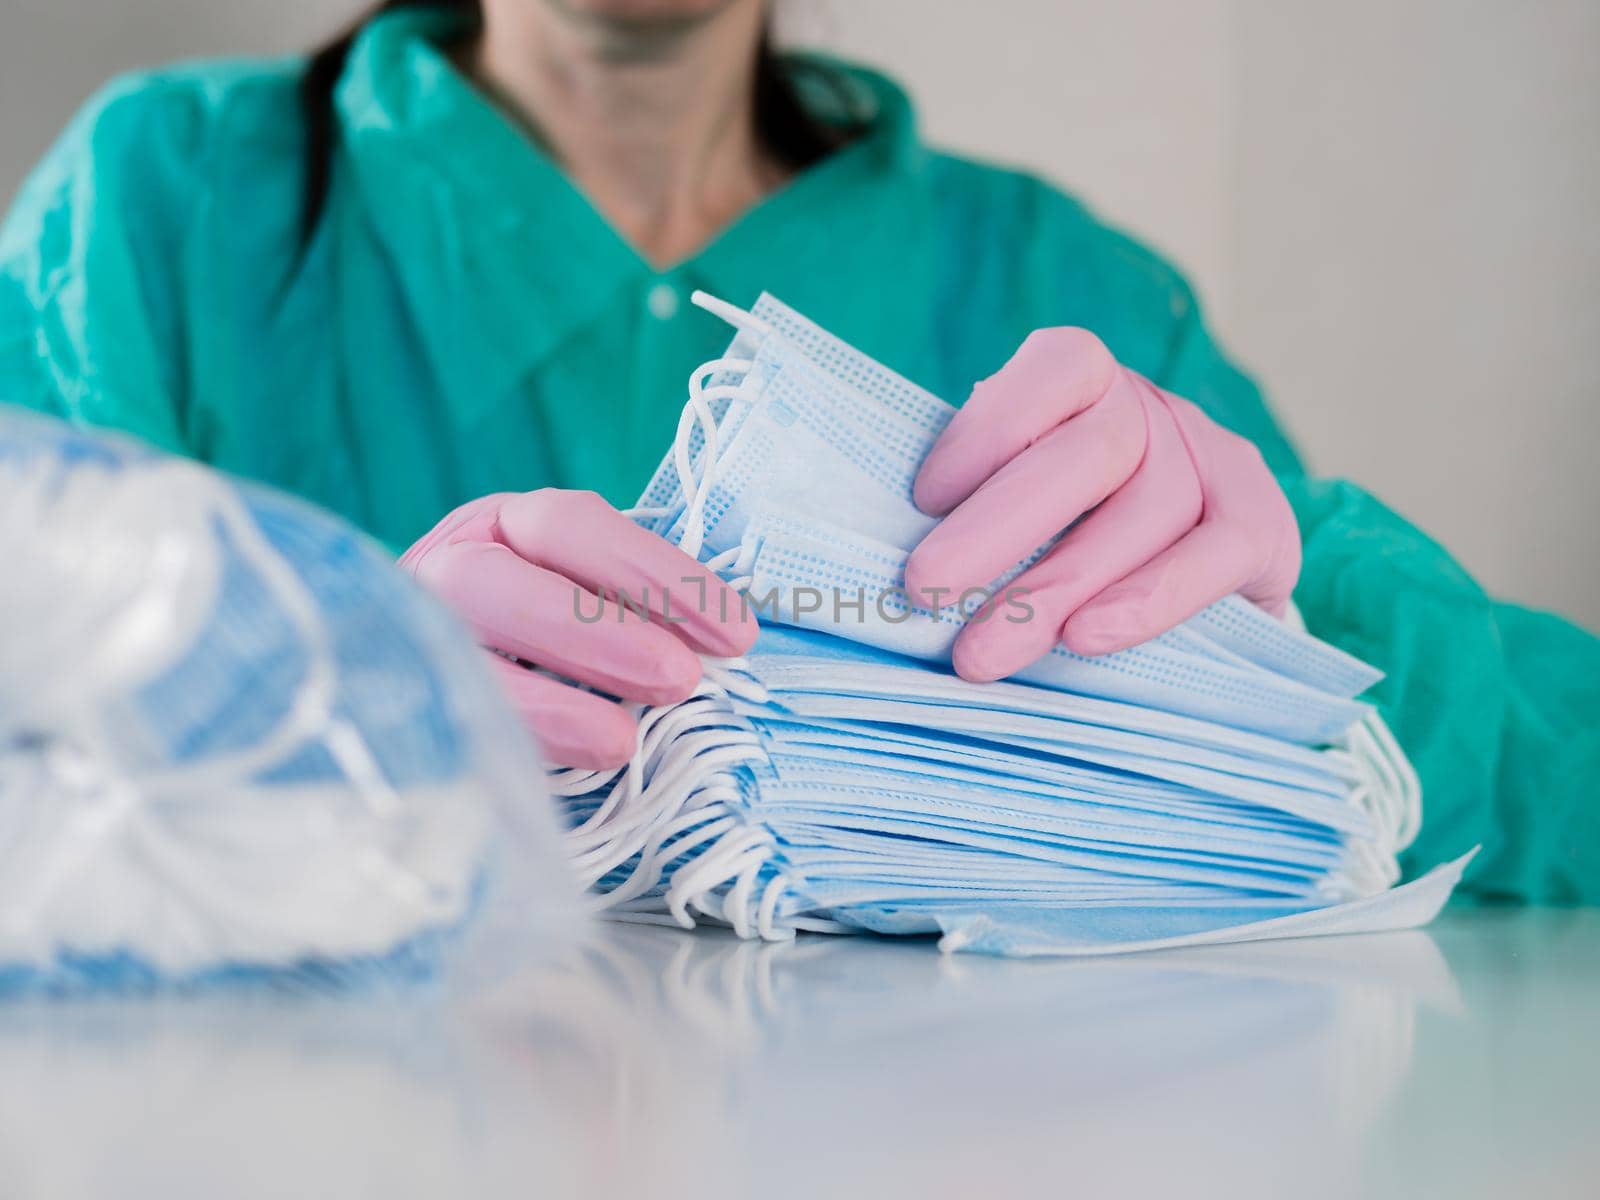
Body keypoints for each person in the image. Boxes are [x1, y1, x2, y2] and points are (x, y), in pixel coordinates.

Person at [1, 0, 1595, 902]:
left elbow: (1532, 771)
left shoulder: (1071, 293)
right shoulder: (165, 207)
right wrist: (269, 698)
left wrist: (1307, 640)